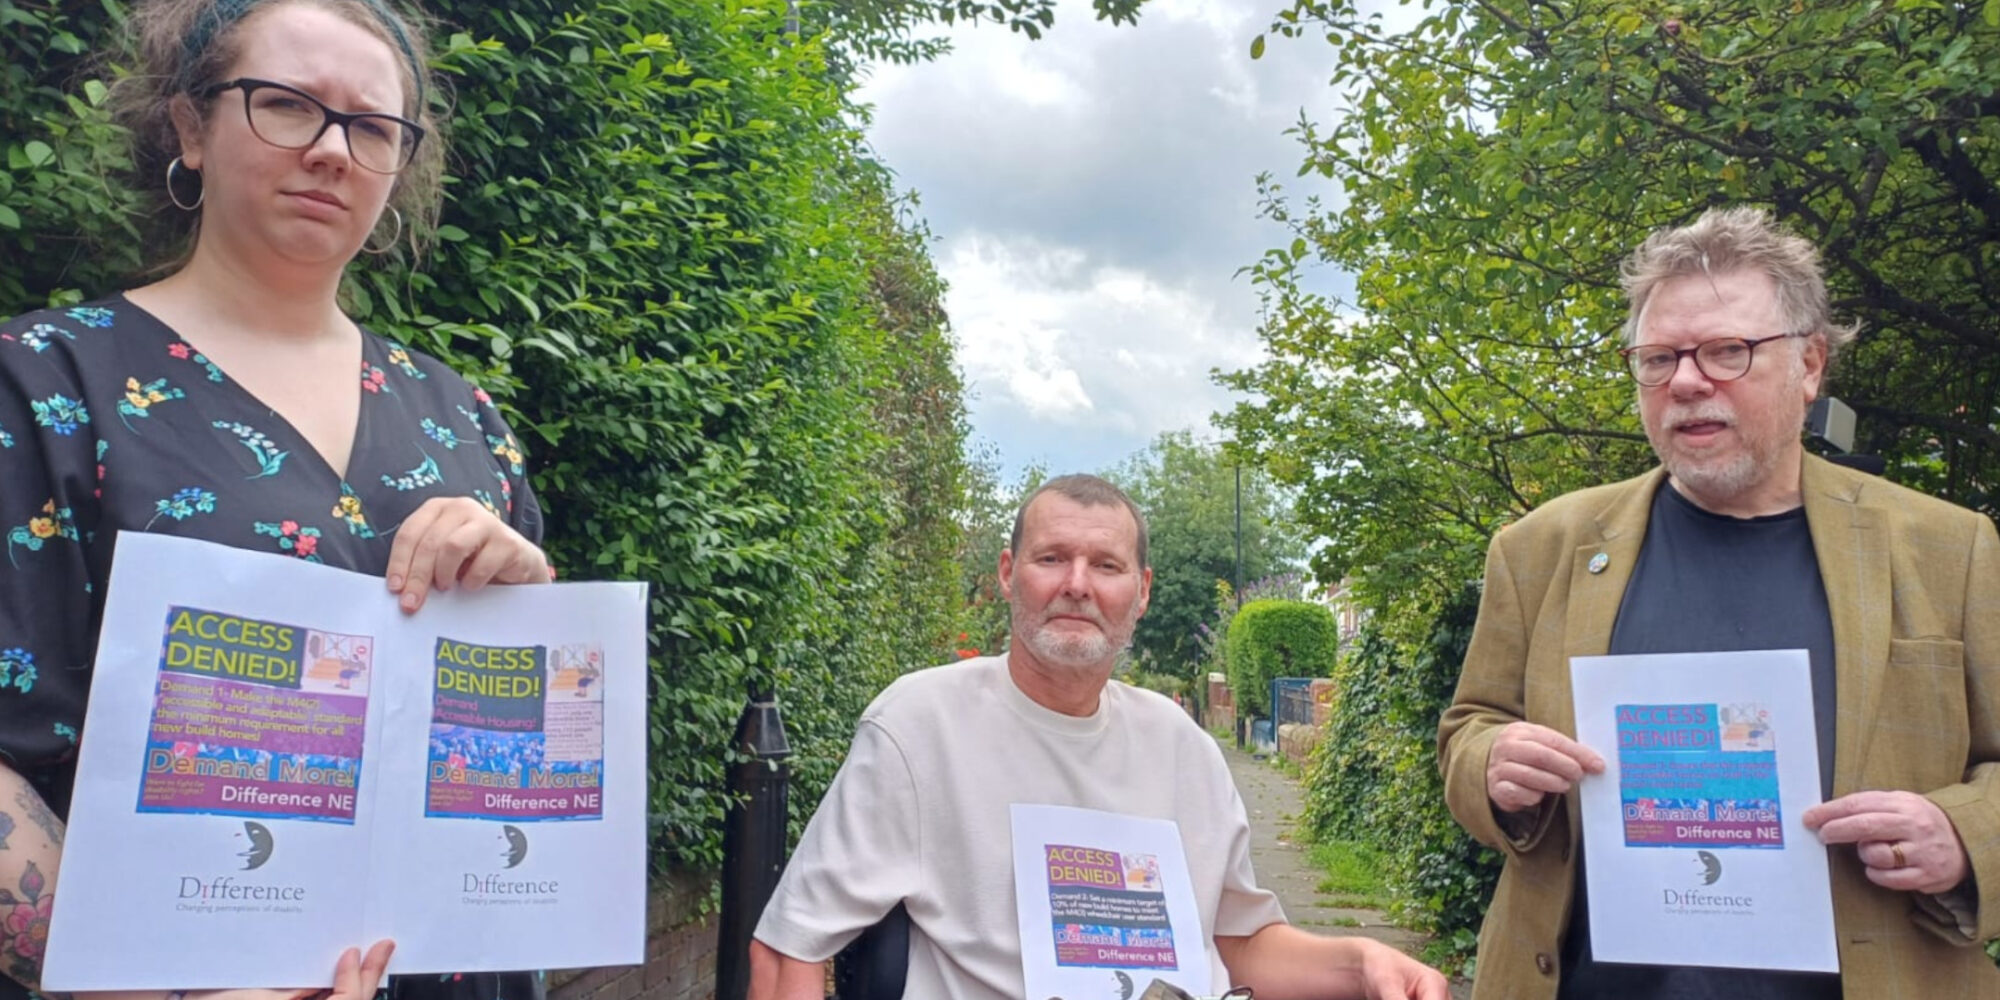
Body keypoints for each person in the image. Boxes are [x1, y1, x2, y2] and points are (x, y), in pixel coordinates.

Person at [0, 2, 551, 999]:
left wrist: (528, 607)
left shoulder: (464, 418)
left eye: (372, 126)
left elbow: (519, 735)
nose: (333, 150)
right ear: (189, 129)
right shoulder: (44, 384)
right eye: (287, 105)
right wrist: (156, 988)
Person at [1438, 207, 2000, 998]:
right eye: (1658, 358)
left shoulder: (1951, 548)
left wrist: (1965, 837)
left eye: (1727, 351)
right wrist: (1491, 764)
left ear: (1809, 365)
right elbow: (1469, 729)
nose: (1688, 381)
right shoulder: (1542, 548)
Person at [749, 474, 1449, 1000]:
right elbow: (789, 951)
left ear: (1140, 592)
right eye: (1051, 558)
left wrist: (1362, 962)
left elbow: (1239, 942)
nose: (1077, 585)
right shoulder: (918, 726)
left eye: (1106, 567)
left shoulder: (1180, 745)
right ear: (1006, 574)